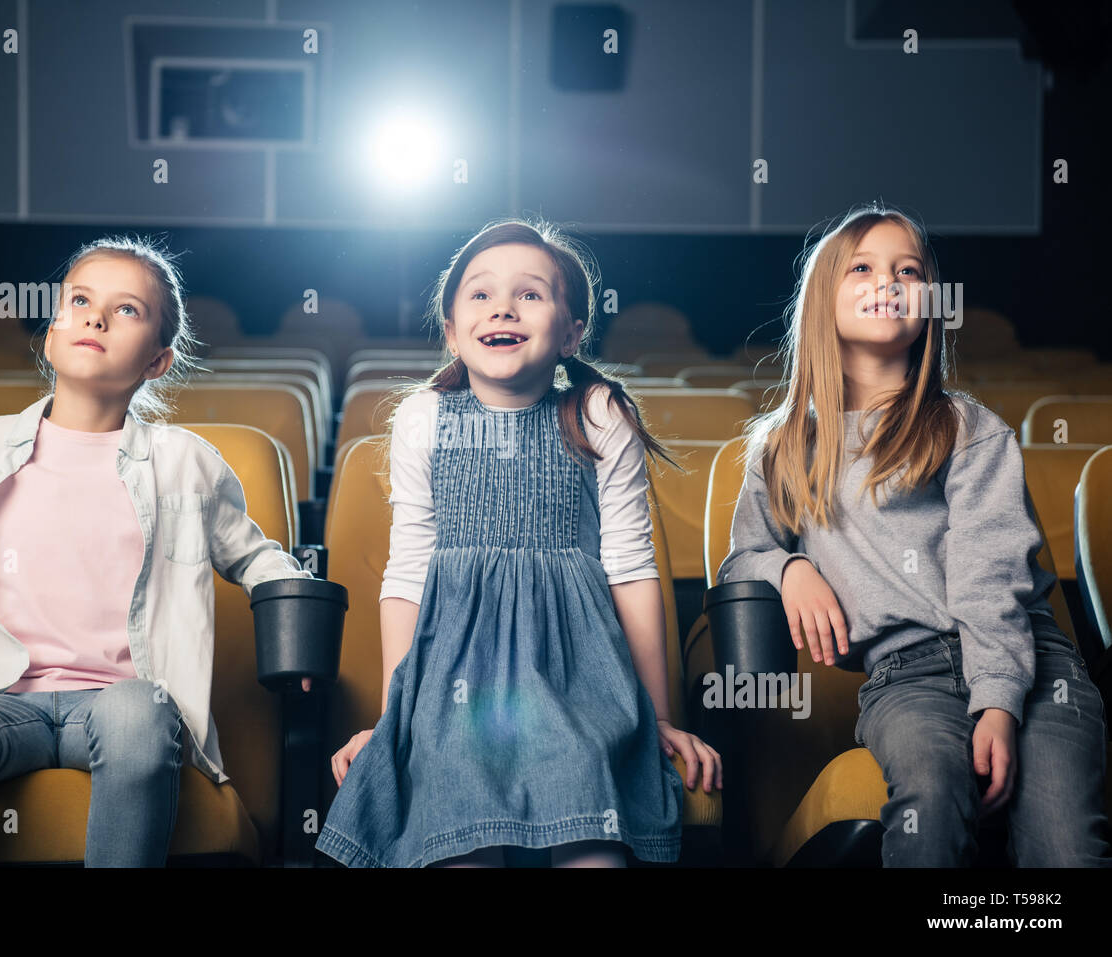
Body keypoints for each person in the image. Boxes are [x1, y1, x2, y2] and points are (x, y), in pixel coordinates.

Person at [0, 235, 313, 866]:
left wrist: (297, 618)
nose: (95, 317)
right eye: (81, 301)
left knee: (138, 718)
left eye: (126, 311)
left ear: (157, 360)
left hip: (122, 696)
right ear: (51, 333)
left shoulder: (187, 465)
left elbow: (257, 558)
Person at [314, 219, 722, 869]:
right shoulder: (424, 418)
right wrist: (398, 714)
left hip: (574, 681)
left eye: (530, 294)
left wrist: (660, 715)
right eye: (479, 294)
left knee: (591, 819)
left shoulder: (599, 413)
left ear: (570, 332)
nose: (502, 306)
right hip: (451, 687)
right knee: (456, 823)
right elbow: (408, 572)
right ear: (450, 331)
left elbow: (630, 568)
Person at [718, 205, 1110, 866]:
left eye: (909, 271)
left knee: (1065, 844)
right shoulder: (786, 448)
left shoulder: (967, 427)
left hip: (1033, 666)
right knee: (928, 800)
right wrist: (789, 570)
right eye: (864, 268)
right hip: (905, 676)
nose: (889, 282)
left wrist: (997, 705)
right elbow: (738, 563)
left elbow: (992, 579)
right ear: (822, 300)